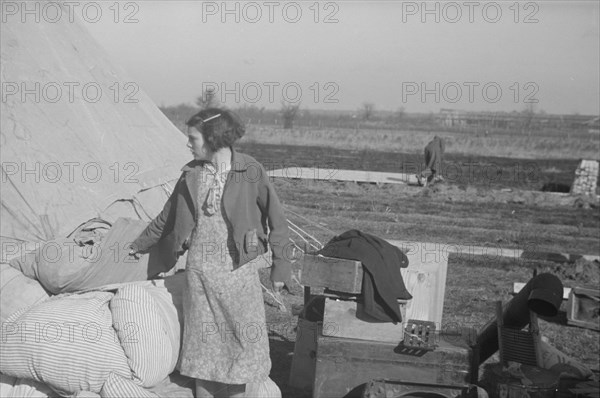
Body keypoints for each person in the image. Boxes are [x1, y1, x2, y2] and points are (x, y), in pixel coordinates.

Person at [130, 108, 292, 398]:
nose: (188, 143)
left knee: (240, 350)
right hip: (200, 278)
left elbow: (277, 221)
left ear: (213, 138)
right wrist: (137, 245)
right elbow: (165, 219)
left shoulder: (250, 170)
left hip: (238, 278)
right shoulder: (191, 174)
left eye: (193, 137)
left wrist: (281, 268)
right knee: (204, 355)